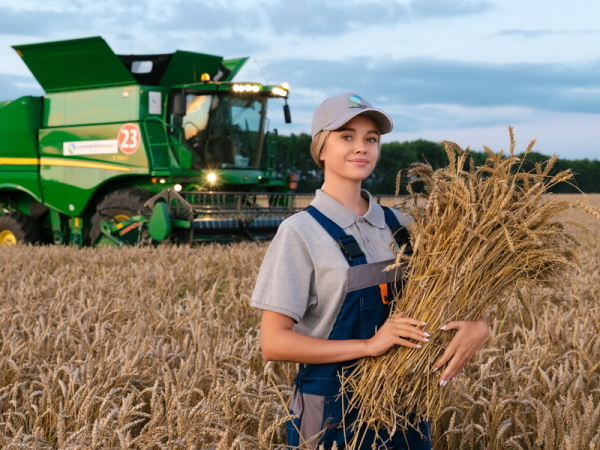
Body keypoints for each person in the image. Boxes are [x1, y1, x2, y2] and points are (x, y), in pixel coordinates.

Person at [251, 93, 490, 449]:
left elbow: (459, 289)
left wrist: (480, 324)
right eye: (346, 136)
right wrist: (370, 345)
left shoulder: (407, 226)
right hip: (331, 416)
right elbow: (273, 343)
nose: (360, 147)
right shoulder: (300, 232)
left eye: (371, 139)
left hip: (406, 409)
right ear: (321, 149)